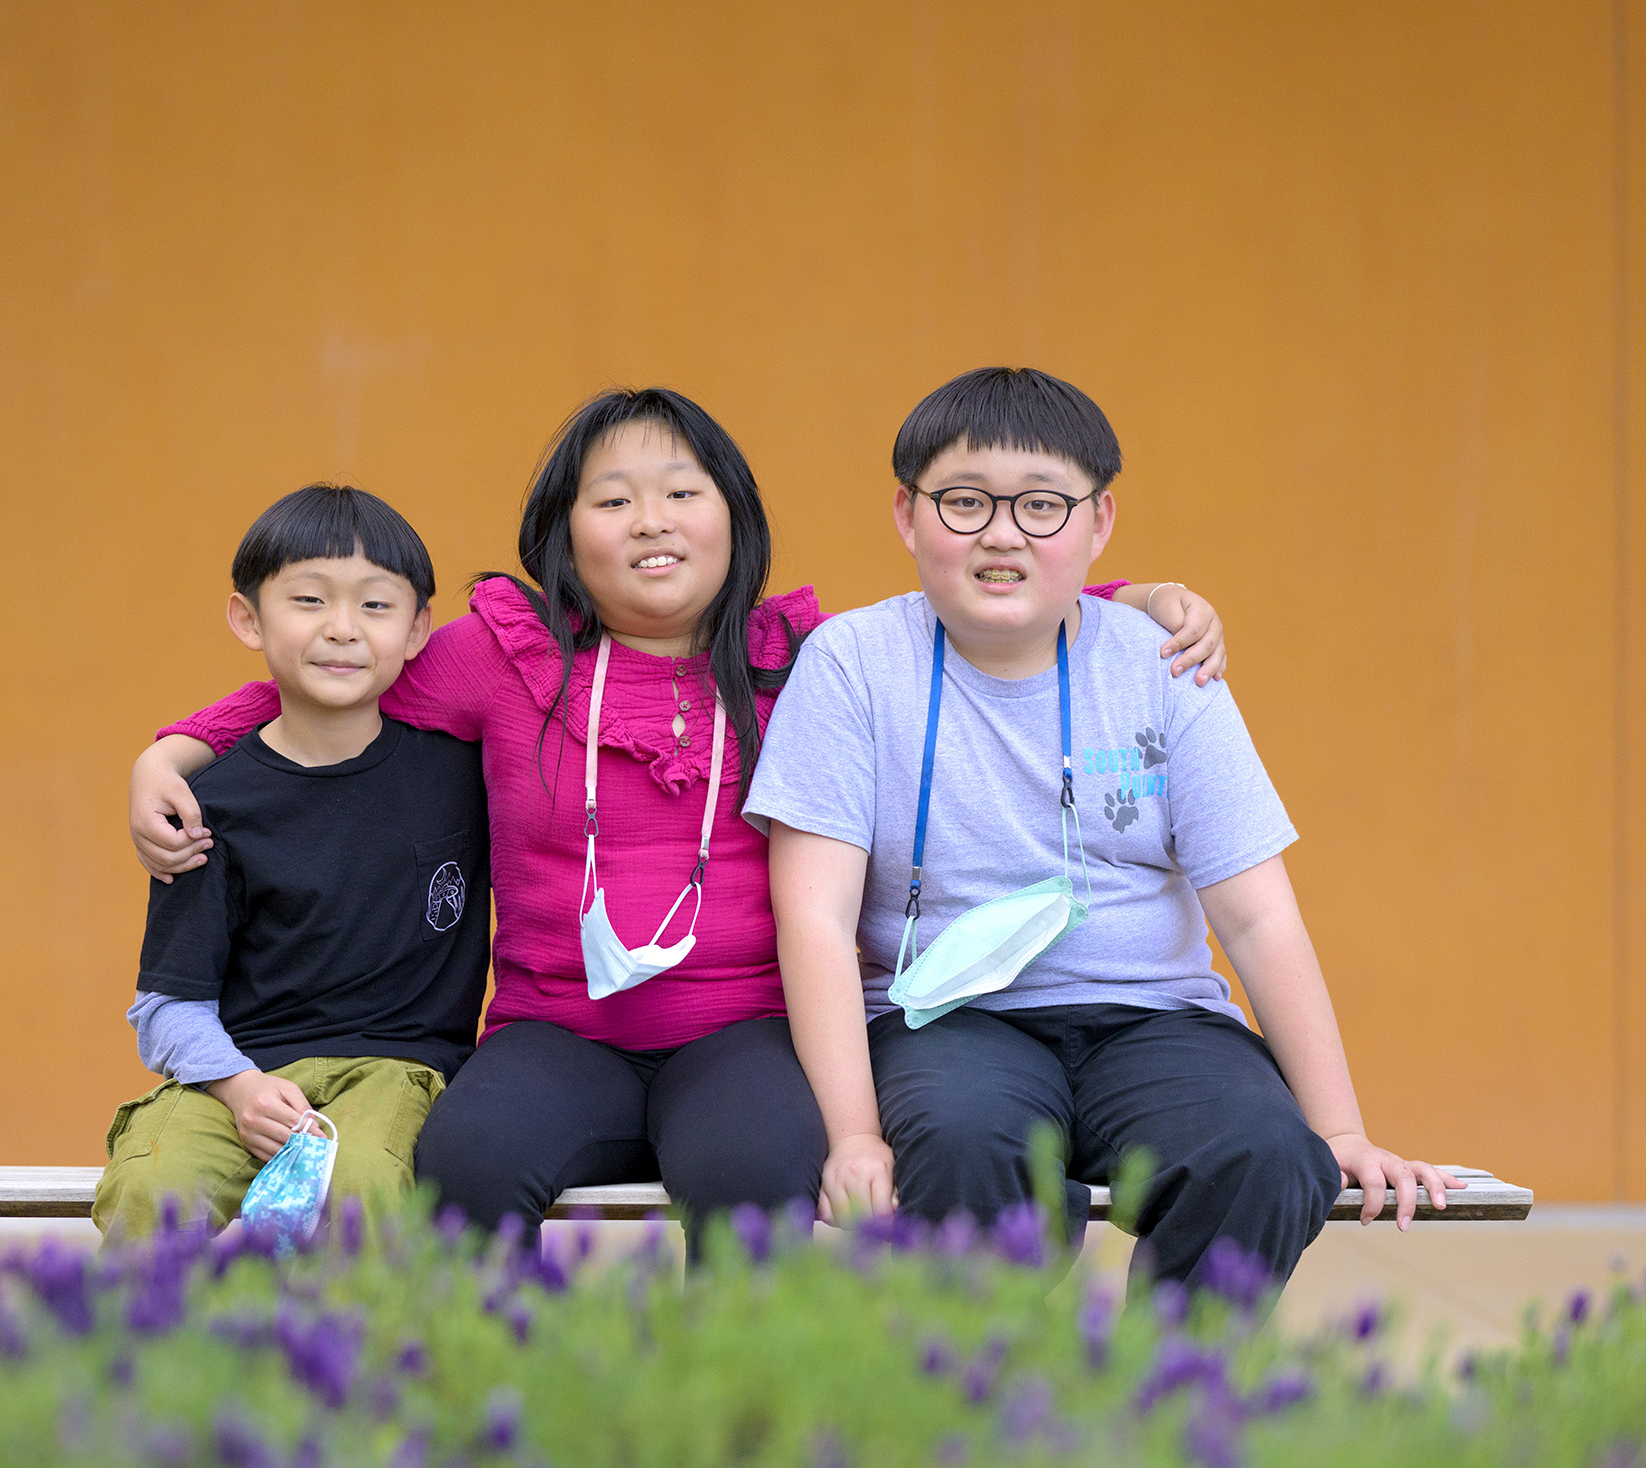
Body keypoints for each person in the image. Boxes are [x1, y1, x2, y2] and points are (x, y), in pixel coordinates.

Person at [128, 388, 1230, 1234]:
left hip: (744, 1032)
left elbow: (969, 613)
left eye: (681, 492)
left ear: (732, 517)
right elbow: (338, 667)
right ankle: (477, 1429)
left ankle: (735, 1451)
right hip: (556, 1028)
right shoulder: (500, 659)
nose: (649, 521)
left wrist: (1124, 596)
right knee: (463, 1158)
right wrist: (173, 747)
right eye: (611, 500)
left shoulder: (811, 660)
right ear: (568, 534)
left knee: (755, 1171)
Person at [745, 366, 1459, 1286]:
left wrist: (1340, 1130)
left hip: (1155, 1020)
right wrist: (852, 1132)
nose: (1002, 534)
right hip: (947, 1021)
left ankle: (1162, 1412)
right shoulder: (851, 664)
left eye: (1042, 505)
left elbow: (1256, 915)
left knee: (1268, 1157)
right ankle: (994, 1415)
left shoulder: (1162, 662)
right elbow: (814, 918)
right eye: (964, 501)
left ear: (1099, 523)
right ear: (907, 514)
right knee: (963, 1145)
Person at [97, 484, 490, 1238]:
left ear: (418, 630)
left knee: (363, 1187)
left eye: (376, 605)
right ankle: (175, 1359)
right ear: (249, 618)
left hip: (399, 1069)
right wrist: (239, 1086)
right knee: (152, 1186)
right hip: (238, 1074)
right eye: (309, 600)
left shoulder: (462, 776)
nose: (342, 629)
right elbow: (165, 1006)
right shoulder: (210, 800)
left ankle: (347, 1360)